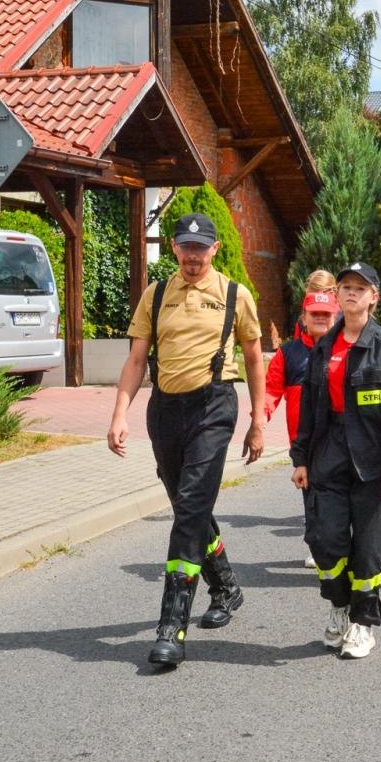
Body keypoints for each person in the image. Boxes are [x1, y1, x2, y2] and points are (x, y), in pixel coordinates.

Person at [109, 213, 264, 669]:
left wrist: (258, 421)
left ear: (214, 250)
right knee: (187, 507)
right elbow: (137, 359)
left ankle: (171, 628)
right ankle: (226, 587)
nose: (193, 256)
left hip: (214, 406)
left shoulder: (236, 296)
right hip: (166, 410)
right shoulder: (156, 294)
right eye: (185, 247)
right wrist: (120, 414)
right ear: (175, 249)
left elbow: (255, 359)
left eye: (201, 248)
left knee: (192, 507)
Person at [290, 263, 381, 659]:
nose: (350, 293)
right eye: (345, 287)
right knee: (325, 540)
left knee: (367, 547)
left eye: (359, 288)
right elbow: (310, 407)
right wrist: (301, 459)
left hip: (373, 460)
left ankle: (363, 623)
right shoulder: (325, 346)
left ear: (374, 297)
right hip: (329, 454)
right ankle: (339, 607)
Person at [266, 290, 338, 567]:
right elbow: (271, 390)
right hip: (304, 443)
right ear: (304, 317)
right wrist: (260, 419)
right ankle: (319, 547)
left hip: (340, 438)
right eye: (315, 314)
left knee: (337, 496)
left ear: (335, 316)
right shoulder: (289, 353)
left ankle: (339, 545)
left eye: (326, 314)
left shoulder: (346, 347)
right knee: (313, 499)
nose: (320, 318)